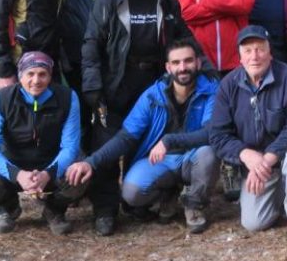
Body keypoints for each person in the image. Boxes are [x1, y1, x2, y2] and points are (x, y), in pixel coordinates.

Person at [80, 0, 200, 235]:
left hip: (156, 81)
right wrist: (93, 83)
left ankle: (139, 199)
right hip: (117, 80)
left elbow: (182, 38)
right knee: (108, 139)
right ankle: (105, 210)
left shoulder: (166, 0)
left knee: (152, 139)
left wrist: (204, 67)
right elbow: (92, 42)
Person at [66, 41, 220, 233]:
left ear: (198, 63)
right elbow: (125, 137)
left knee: (209, 154)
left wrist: (169, 140)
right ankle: (169, 193)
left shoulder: (212, 91)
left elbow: (211, 133)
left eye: (188, 61)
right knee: (132, 194)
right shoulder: (152, 96)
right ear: (168, 67)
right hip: (160, 160)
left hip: (193, 156)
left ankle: (194, 205)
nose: (183, 68)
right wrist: (91, 162)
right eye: (176, 62)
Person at [209, 25, 287, 243]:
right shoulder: (228, 85)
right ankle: (280, 196)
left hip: (282, 158)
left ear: (270, 52)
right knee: (254, 223)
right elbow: (218, 135)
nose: (254, 56)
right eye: (248, 51)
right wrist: (246, 155)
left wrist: (268, 156)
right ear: (240, 57)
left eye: (260, 49)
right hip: (253, 166)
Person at [0, 52, 86, 235]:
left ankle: (54, 210)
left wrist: (48, 173)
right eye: (30, 74)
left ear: (50, 76)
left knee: (81, 171)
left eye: (42, 74)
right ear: (20, 75)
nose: (36, 80)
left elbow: (70, 146)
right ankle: (8, 208)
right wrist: (18, 174)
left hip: (51, 165)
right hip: (13, 165)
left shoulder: (68, 97)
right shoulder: (1, 99)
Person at [59, 0, 127, 138]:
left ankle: (97, 166)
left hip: (107, 62)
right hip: (72, 61)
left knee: (104, 120)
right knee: (73, 116)